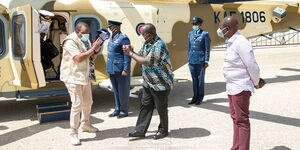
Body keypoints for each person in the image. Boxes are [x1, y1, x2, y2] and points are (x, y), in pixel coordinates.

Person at [218, 16, 264, 150]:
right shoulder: (231, 42)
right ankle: (236, 147)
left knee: (242, 121)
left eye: (221, 28)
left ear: (228, 28)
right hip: (232, 87)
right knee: (235, 119)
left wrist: (256, 82)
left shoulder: (241, 42)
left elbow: (252, 65)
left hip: (240, 88)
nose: (220, 31)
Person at [123, 23, 174, 140]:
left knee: (161, 108)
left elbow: (146, 62)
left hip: (160, 83)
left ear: (150, 35)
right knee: (145, 105)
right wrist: (132, 51)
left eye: (143, 34)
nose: (141, 36)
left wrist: (130, 54)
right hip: (148, 81)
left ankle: (163, 130)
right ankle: (140, 130)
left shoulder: (159, 45)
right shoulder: (147, 43)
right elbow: (140, 55)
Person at [60, 22, 103, 145]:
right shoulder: (70, 41)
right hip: (72, 77)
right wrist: (92, 49)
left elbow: (91, 58)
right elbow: (78, 58)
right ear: (77, 31)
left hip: (84, 76)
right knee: (77, 104)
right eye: (83, 33)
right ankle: (73, 132)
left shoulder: (86, 41)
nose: (86, 35)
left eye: (87, 32)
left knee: (88, 102)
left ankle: (85, 124)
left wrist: (95, 51)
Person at [106, 20, 131, 118]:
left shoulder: (123, 38)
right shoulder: (112, 38)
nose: (110, 29)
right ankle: (117, 109)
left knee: (123, 90)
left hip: (120, 69)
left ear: (116, 27)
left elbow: (127, 55)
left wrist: (125, 69)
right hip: (112, 68)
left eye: (110, 27)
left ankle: (124, 110)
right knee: (115, 90)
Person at [187, 17, 211, 105]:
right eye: (193, 24)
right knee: (194, 80)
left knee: (200, 80)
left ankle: (200, 98)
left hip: (200, 61)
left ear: (200, 24)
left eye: (196, 24)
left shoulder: (205, 34)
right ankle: (194, 97)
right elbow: (189, 47)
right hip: (192, 60)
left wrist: (206, 60)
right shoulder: (190, 34)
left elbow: (207, 49)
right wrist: (188, 58)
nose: (194, 26)